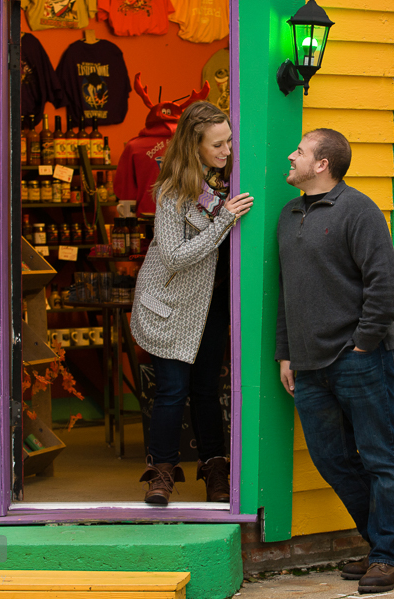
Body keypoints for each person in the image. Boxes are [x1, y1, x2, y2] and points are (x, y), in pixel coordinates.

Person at [276, 129, 394, 593]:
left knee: (382, 457)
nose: (291, 156)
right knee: (333, 460)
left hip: (361, 359)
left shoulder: (358, 210)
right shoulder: (289, 214)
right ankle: (391, 543)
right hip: (309, 364)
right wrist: (286, 353)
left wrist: (363, 343)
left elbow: (384, 283)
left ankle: (388, 556)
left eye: (299, 151)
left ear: (322, 164)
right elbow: (287, 294)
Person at [131, 101, 253, 506]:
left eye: (229, 141)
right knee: (171, 390)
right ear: (194, 146)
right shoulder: (172, 193)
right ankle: (161, 474)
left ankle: (215, 470)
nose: (226, 151)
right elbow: (175, 257)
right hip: (172, 305)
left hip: (213, 304)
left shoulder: (229, 182)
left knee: (206, 389)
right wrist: (224, 222)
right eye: (217, 145)